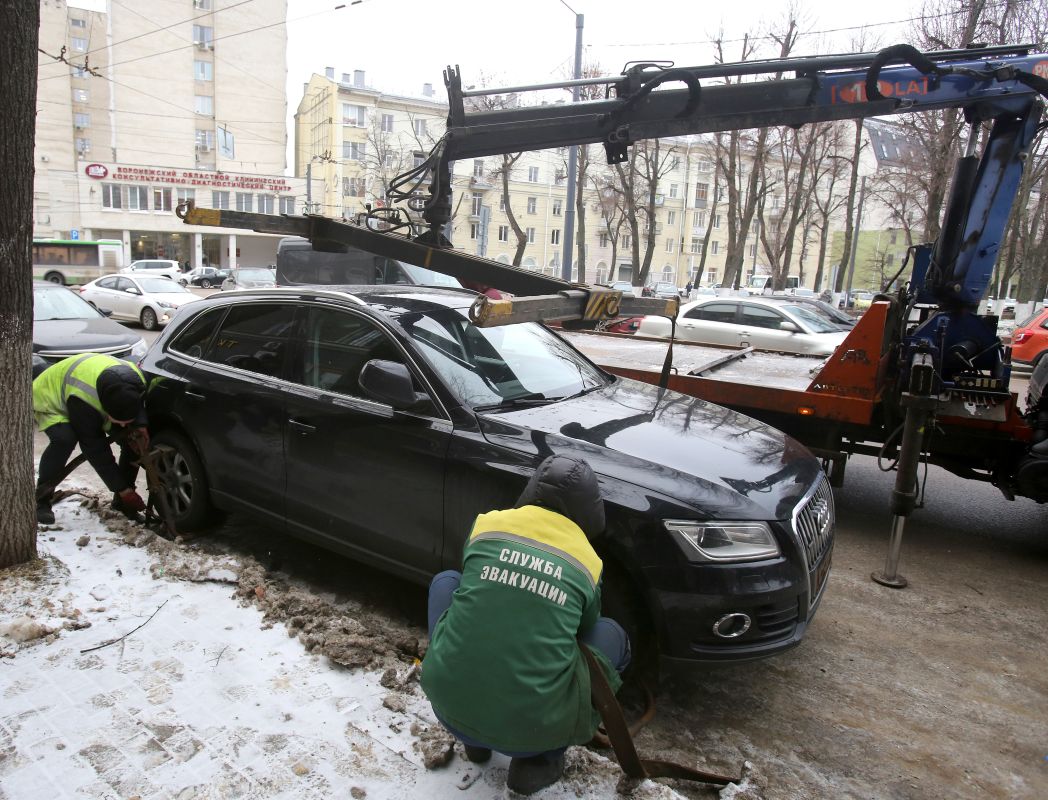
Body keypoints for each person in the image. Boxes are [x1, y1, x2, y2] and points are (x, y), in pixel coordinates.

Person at [421, 454, 630, 796]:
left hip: (447, 708)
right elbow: (583, 630)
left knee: (447, 581)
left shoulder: (487, 524)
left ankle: (472, 739)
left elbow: (476, 592)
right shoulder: (588, 561)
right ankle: (539, 762)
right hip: (533, 733)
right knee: (611, 635)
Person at [33, 354, 149, 525]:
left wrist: (140, 424)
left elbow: (137, 406)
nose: (124, 425)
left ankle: (122, 503)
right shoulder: (85, 403)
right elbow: (95, 449)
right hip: (51, 396)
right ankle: (41, 500)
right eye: (120, 421)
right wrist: (122, 488)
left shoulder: (137, 379)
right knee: (64, 439)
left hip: (92, 386)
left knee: (130, 439)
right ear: (105, 410)